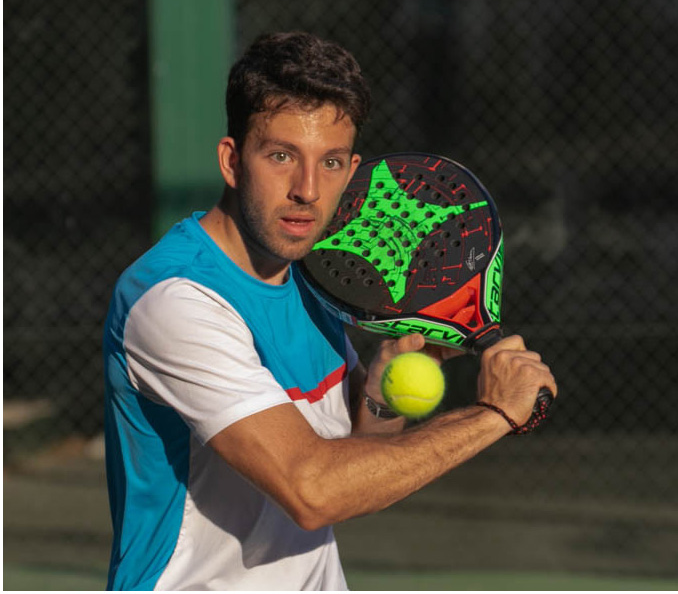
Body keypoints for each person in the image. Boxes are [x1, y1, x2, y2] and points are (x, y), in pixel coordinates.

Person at [103, 31, 557, 591]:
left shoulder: (311, 275)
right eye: (281, 156)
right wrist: (493, 414)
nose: (308, 190)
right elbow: (314, 490)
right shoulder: (175, 301)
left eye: (332, 162)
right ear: (232, 161)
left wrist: (380, 397)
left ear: (353, 168)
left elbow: (359, 460)